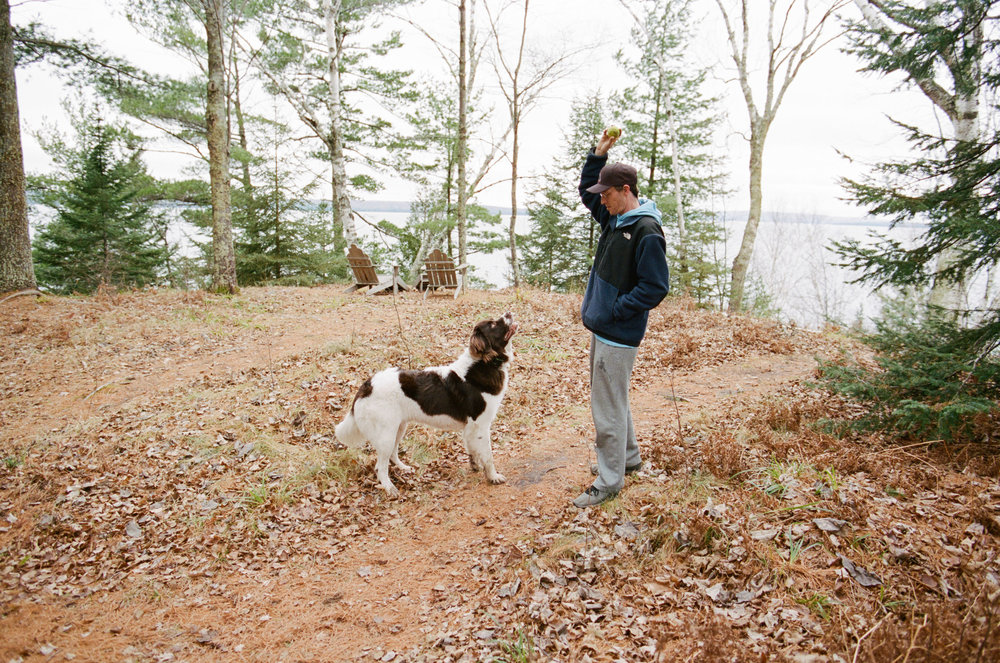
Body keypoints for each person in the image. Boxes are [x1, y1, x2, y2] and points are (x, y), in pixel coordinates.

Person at [573, 127, 670, 508]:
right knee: (615, 399)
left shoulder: (645, 231)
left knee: (607, 408)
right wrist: (598, 155)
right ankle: (629, 460)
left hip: (618, 332)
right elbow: (585, 193)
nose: (602, 202)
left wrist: (616, 310)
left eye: (608, 194)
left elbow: (655, 287)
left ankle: (609, 481)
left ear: (625, 191)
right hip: (603, 328)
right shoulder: (615, 219)